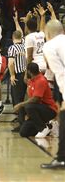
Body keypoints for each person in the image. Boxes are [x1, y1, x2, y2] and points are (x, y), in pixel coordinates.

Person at [41, 20, 65, 169]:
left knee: (63, 116)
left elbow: (60, 73)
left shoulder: (49, 46)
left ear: (47, 34)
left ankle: (61, 158)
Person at [13, 63, 57, 138]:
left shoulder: (41, 80)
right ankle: (49, 127)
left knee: (28, 106)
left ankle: (43, 128)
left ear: (29, 72)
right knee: (23, 132)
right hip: (38, 110)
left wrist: (20, 104)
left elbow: (36, 99)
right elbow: (30, 97)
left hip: (49, 110)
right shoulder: (31, 81)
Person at [8, 29, 27, 106]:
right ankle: (21, 116)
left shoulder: (12, 48)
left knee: (17, 98)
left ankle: (19, 117)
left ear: (13, 37)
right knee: (23, 97)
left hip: (17, 75)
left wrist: (12, 75)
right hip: (25, 73)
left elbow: (11, 63)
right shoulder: (24, 46)